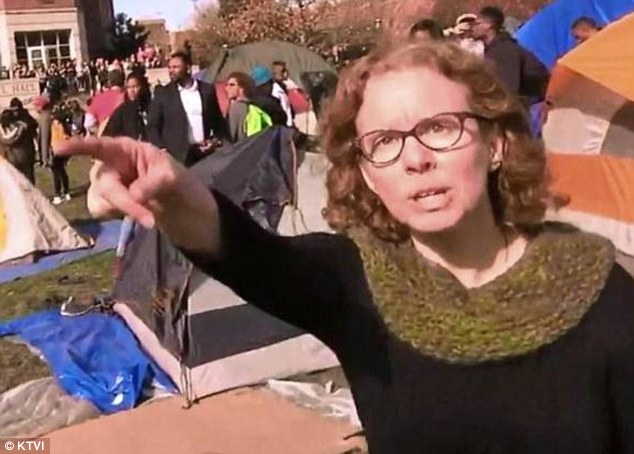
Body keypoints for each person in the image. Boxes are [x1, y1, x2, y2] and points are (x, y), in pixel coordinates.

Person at [58, 41, 634, 452]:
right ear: (366, 174)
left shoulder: (600, 294)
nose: (414, 158)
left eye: (439, 127)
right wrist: (169, 190)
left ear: (497, 143)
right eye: (384, 141)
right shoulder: (357, 279)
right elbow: (255, 257)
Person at [102, 72, 152, 277]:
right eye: (129, 87)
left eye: (135, 86)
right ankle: (121, 254)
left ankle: (144, 253)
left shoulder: (151, 108)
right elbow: (108, 137)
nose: (132, 90)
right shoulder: (122, 112)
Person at [147, 51, 228, 168]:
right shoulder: (163, 94)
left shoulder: (206, 91)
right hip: (176, 156)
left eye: (175, 67)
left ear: (188, 68)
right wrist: (161, 148)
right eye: (169, 67)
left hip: (203, 154)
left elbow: (217, 121)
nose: (171, 71)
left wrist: (214, 141)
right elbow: (152, 125)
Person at [472, 6, 549, 103]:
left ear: (489, 25)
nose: (473, 27)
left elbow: (509, 91)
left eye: (477, 23)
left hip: (536, 105)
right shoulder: (493, 50)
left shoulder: (505, 50)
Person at [0, 108, 36, 184]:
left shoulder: (2, 132)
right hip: (22, 156)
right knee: (27, 178)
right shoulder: (20, 128)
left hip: (7, 158)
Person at [50, 104, 72, 205]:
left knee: (56, 173)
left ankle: (57, 195)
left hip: (57, 150)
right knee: (62, 171)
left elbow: (54, 137)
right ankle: (66, 192)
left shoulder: (55, 125)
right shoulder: (65, 125)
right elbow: (67, 137)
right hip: (64, 150)